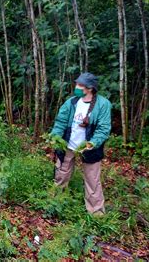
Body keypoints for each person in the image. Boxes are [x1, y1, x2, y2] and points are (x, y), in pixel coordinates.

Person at [51, 72, 111, 215]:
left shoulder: (103, 104)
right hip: (68, 144)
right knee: (61, 174)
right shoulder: (71, 102)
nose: (76, 87)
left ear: (90, 88)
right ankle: (55, 203)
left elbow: (104, 129)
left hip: (90, 147)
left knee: (92, 180)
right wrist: (55, 137)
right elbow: (60, 122)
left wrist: (92, 143)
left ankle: (96, 212)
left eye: (80, 85)